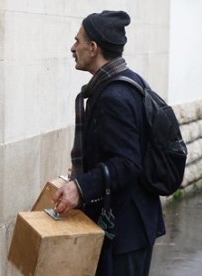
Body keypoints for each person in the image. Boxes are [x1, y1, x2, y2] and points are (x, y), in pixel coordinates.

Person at [51, 10, 165, 276]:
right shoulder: (126, 81)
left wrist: (80, 186)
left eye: (77, 41)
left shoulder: (114, 95)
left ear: (93, 48)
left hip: (127, 229)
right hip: (131, 223)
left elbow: (127, 163)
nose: (72, 47)